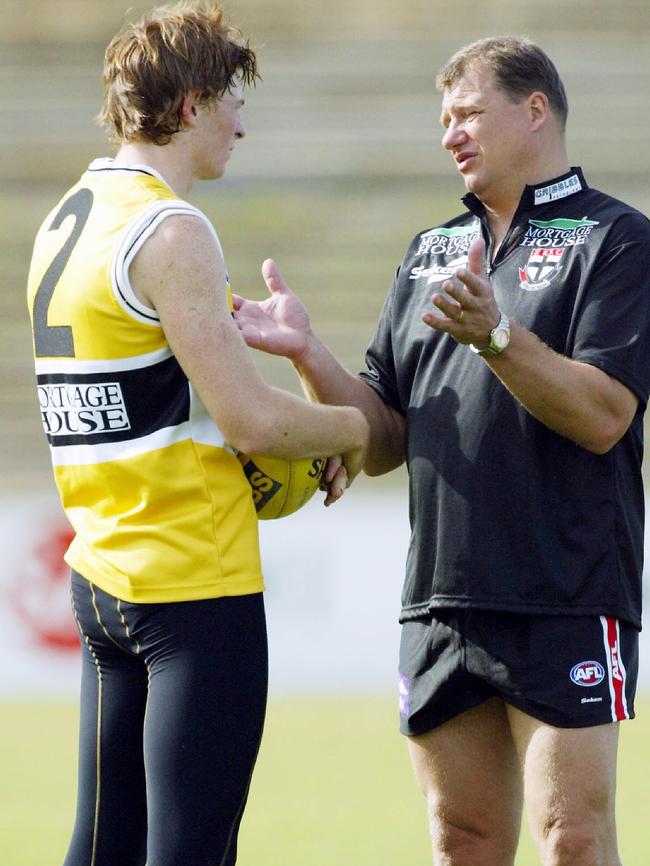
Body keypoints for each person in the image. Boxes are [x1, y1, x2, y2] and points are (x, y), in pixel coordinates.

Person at [233, 36, 650, 866]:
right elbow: (382, 437)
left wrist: (496, 335)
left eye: (467, 114)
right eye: (442, 120)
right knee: (461, 842)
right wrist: (309, 354)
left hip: (564, 590)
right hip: (440, 600)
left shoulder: (617, 239)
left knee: (573, 838)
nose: (450, 134)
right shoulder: (428, 253)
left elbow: (605, 415)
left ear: (535, 111)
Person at [25, 3, 368, 865]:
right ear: (189, 107)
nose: (240, 125)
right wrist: (350, 427)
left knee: (101, 848)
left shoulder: (71, 212)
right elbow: (251, 418)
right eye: (231, 102)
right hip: (190, 587)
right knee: (192, 851)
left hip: (102, 577)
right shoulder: (172, 229)